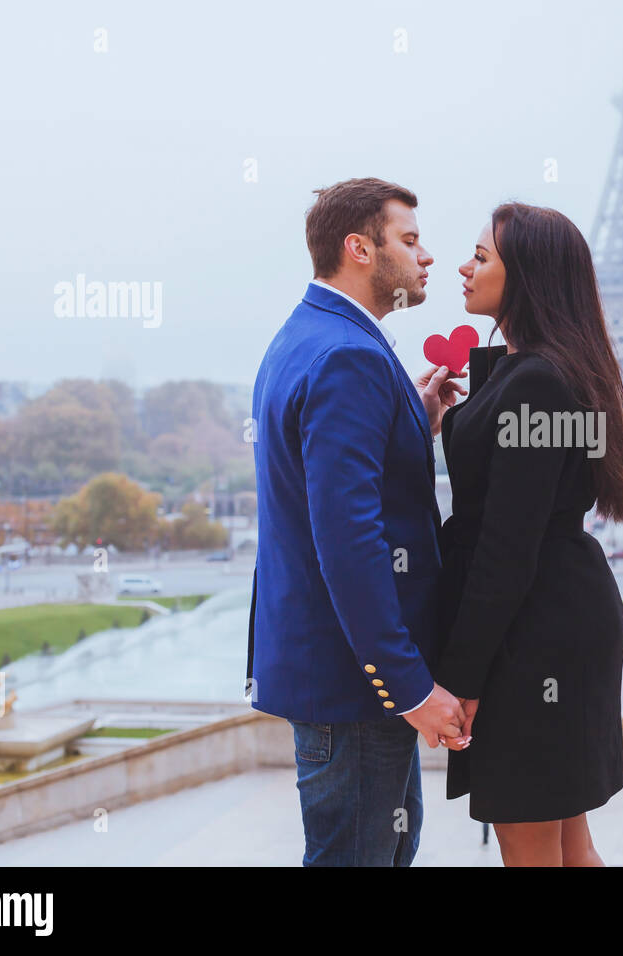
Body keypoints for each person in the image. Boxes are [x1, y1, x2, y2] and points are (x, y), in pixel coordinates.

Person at [247, 178, 470, 866]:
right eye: (409, 240)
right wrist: (406, 685)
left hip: (333, 673)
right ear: (359, 248)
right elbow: (349, 543)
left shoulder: (310, 336)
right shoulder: (349, 356)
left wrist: (413, 422)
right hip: (356, 688)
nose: (428, 256)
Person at [434, 201, 623, 866]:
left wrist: (463, 680)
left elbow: (504, 548)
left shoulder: (537, 384)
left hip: (532, 637)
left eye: (483, 256)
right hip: (558, 620)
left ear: (526, 275)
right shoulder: (554, 373)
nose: (464, 266)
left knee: (532, 844)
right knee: (569, 845)